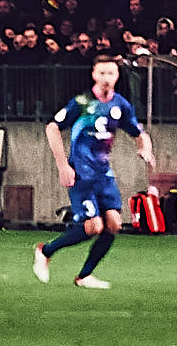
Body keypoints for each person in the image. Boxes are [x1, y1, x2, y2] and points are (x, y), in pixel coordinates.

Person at [33, 56, 154, 289]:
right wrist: (63, 165)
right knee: (94, 226)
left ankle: (84, 276)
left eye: (111, 73)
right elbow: (52, 128)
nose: (106, 78)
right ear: (94, 75)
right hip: (81, 173)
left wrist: (145, 149)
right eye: (102, 73)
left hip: (104, 174)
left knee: (114, 224)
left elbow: (139, 133)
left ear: (117, 76)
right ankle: (45, 251)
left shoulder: (120, 105)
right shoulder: (82, 102)